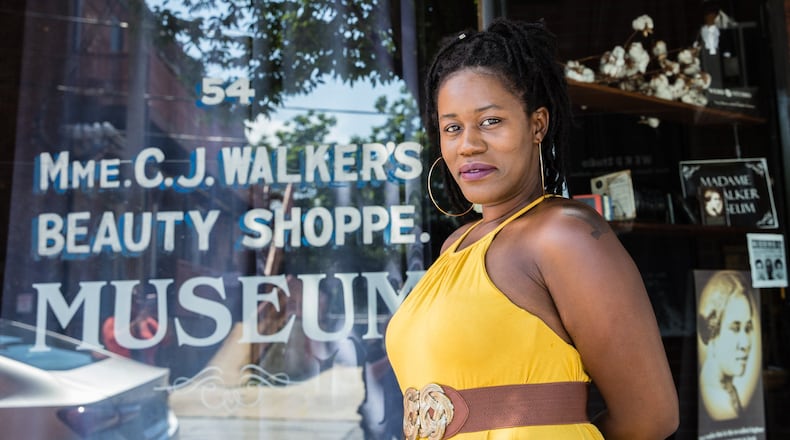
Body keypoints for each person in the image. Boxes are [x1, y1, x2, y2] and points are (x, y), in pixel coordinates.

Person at [385, 18, 679, 439]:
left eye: (490, 121)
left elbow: (650, 416)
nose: (468, 143)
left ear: (537, 124)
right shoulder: (456, 245)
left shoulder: (564, 236)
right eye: (452, 127)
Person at [697, 271, 758, 421]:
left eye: (748, 328)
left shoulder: (729, 391)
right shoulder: (715, 398)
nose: (745, 343)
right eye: (735, 328)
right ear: (713, 333)